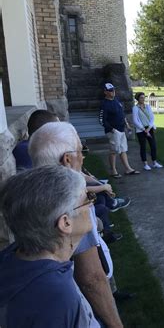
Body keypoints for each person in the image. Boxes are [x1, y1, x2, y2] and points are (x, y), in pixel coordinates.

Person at [29, 122, 124, 327]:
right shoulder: (72, 203)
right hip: (78, 306)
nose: (83, 157)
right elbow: (92, 279)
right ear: (68, 159)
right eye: (82, 151)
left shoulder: (29, 197)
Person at [0, 166, 100, 327]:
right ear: (65, 223)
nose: (91, 204)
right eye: (86, 198)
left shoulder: (12, 257)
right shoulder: (55, 296)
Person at [99, 82, 139, 178]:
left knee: (123, 150)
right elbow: (101, 120)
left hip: (121, 130)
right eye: (110, 91)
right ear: (105, 92)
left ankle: (128, 169)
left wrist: (127, 125)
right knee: (114, 151)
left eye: (113, 90)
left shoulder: (116, 101)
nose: (113, 92)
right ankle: (113, 171)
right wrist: (112, 129)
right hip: (114, 131)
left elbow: (122, 114)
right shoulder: (104, 104)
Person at [132, 92, 162, 171]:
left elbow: (152, 118)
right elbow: (135, 120)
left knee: (153, 145)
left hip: (149, 128)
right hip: (141, 130)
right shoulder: (135, 108)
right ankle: (145, 164)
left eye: (143, 97)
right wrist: (143, 129)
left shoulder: (148, 106)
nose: (143, 99)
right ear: (137, 99)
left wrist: (149, 128)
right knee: (143, 146)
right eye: (141, 97)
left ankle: (154, 162)